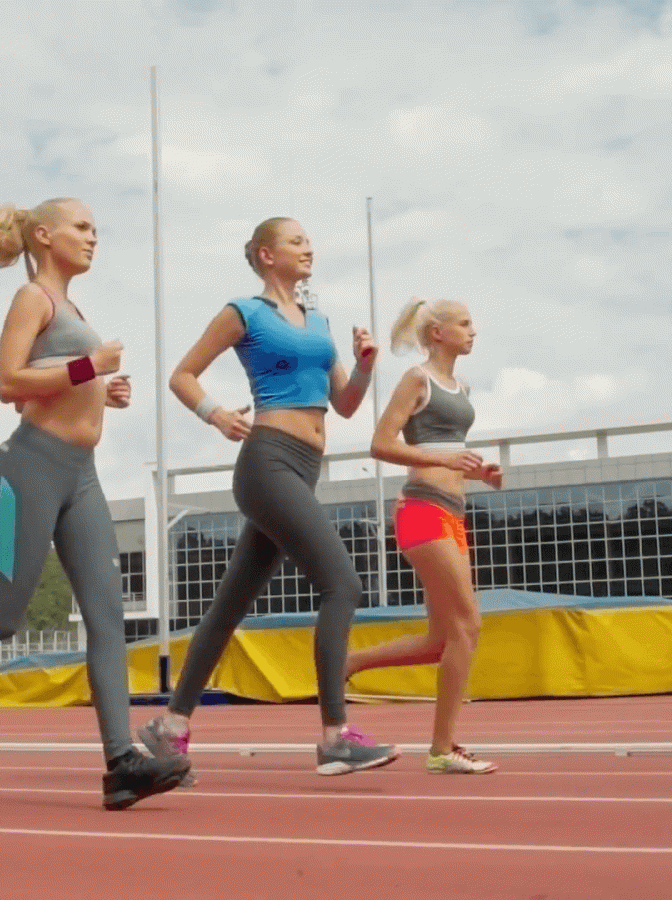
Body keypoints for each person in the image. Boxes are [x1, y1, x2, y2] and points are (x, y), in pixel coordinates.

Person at [0, 197, 191, 810]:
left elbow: (54, 377)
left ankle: (121, 763)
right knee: (0, 617)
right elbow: (10, 384)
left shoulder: (73, 307)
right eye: (82, 227)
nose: (94, 237)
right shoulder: (32, 298)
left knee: (108, 617)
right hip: (28, 470)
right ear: (43, 235)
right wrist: (91, 365)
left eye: (96, 227)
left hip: (80, 476)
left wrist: (99, 386)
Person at [138, 217, 400, 779]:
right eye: (296, 241)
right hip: (267, 461)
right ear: (265, 254)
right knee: (343, 584)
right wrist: (215, 414)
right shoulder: (244, 313)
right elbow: (183, 374)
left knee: (231, 604)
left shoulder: (321, 321)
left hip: (305, 467)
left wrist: (366, 365)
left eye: (310, 240)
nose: (309, 248)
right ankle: (334, 737)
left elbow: (347, 405)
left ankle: (170, 726)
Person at [345, 297, 499, 774]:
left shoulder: (461, 384)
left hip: (454, 511)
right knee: (468, 625)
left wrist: (479, 474)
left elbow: (446, 453)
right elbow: (381, 443)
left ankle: (344, 664)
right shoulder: (418, 378)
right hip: (422, 511)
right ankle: (443, 749)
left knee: (441, 640)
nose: (474, 331)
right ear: (438, 333)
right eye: (465, 323)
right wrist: (445, 462)